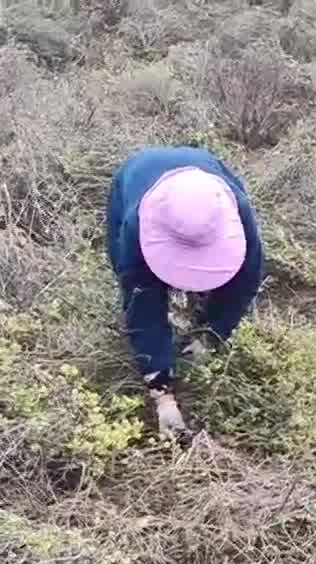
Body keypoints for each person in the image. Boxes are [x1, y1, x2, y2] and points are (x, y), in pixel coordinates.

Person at [105, 146, 266, 440]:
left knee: (231, 298)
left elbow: (245, 282)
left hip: (206, 166)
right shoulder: (135, 225)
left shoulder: (236, 208)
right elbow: (143, 306)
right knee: (135, 286)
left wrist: (211, 334)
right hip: (136, 175)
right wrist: (162, 395)